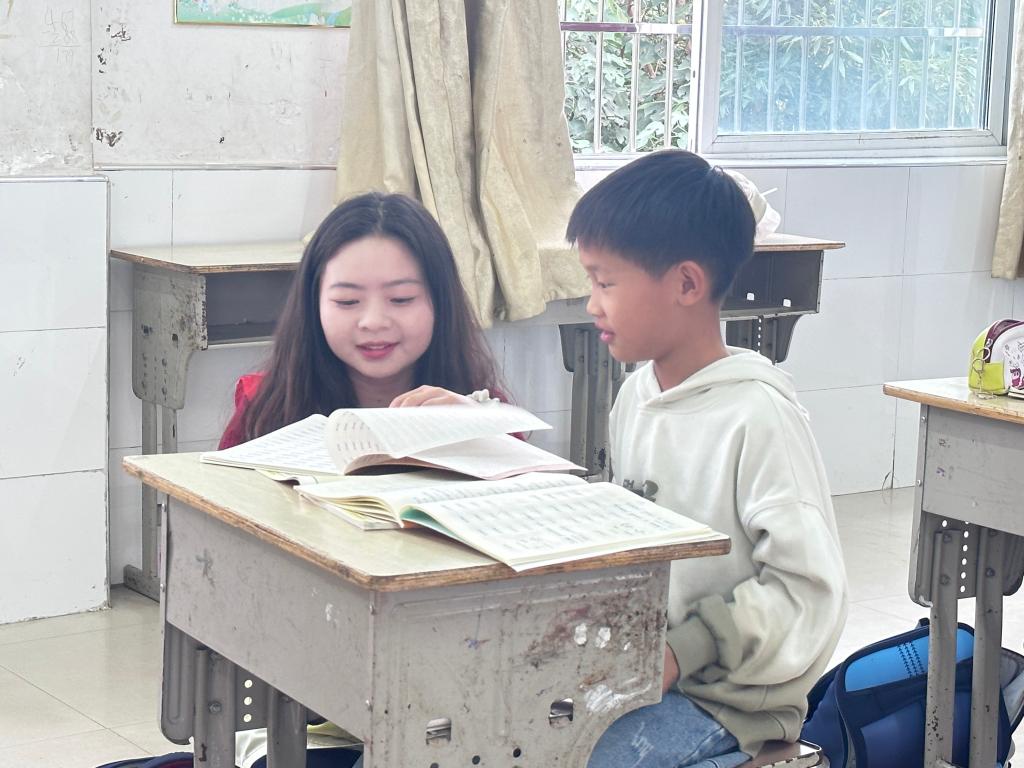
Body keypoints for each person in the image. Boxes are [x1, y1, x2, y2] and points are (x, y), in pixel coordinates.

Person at [567, 150, 848, 768]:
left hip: (726, 704)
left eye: (606, 283)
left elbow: (807, 593)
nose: (592, 304)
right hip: (648, 672)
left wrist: (685, 649)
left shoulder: (757, 415)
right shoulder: (636, 396)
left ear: (687, 285)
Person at [218, 191, 506, 449]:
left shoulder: (480, 412)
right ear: (313, 304)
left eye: (401, 299)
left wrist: (479, 435)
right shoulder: (265, 410)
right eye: (347, 301)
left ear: (442, 303)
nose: (373, 322)